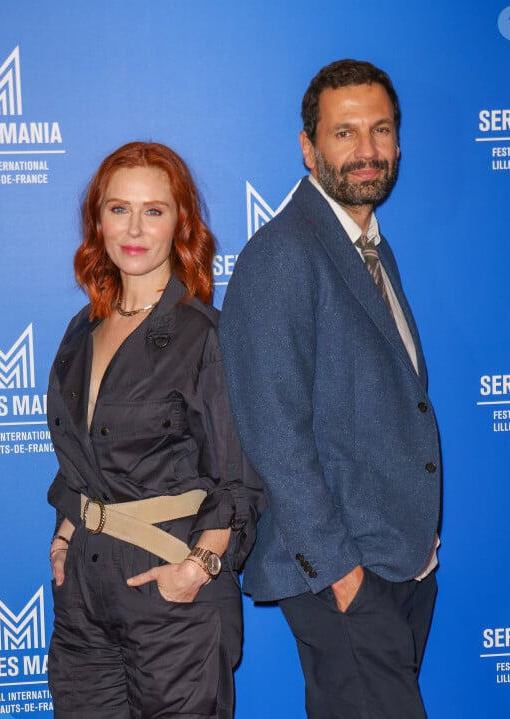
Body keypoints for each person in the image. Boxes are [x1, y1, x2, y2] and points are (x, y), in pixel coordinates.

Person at [219, 59, 441, 719]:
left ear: (399, 141)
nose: (367, 150)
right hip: (341, 572)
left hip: (397, 562)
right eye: (345, 133)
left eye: (380, 130)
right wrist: (344, 577)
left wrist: (416, 542)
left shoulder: (368, 243)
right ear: (309, 147)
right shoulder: (285, 252)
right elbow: (274, 434)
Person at [46, 141, 263, 719]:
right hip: (84, 594)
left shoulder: (206, 336)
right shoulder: (80, 331)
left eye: (154, 210)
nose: (134, 228)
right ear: (98, 220)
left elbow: (237, 480)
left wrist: (198, 569)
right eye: (118, 209)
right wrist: (67, 532)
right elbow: (79, 454)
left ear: (180, 223)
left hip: (173, 592)